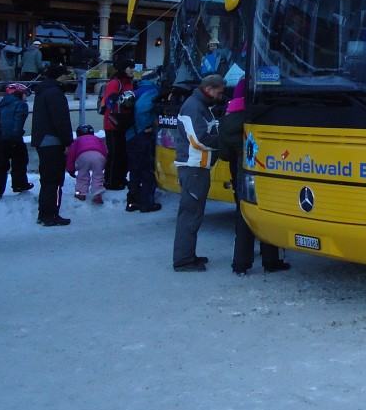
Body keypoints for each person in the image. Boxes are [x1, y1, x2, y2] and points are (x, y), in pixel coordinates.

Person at [222, 78, 289, 276]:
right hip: (263, 173)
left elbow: (224, 155)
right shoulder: (262, 116)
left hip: (240, 176)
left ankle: (240, 264)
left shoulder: (227, 120)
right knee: (267, 213)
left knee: (243, 217)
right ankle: (271, 261)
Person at [171, 73, 226, 271]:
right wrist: (224, 141)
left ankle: (187, 255)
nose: (220, 97)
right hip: (194, 168)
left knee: (193, 213)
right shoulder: (194, 107)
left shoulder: (200, 106)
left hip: (197, 168)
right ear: (209, 89)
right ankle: (184, 260)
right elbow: (200, 139)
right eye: (219, 93)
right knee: (190, 214)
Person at [31, 63, 74, 227]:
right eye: (66, 74)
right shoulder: (55, 93)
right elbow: (61, 120)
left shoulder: (43, 91)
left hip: (42, 140)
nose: (69, 77)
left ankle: (43, 213)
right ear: (60, 76)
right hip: (53, 141)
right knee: (55, 180)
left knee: (46, 180)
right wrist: (67, 141)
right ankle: (51, 214)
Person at [124, 75, 161, 213]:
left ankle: (132, 202)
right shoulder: (151, 90)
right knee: (147, 170)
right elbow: (142, 109)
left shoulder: (138, 90)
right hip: (142, 135)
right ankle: (147, 203)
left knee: (135, 169)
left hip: (131, 135)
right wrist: (147, 126)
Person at [99, 60, 136, 192]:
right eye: (129, 67)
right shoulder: (116, 82)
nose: (132, 70)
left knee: (123, 153)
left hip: (124, 123)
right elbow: (109, 102)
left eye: (133, 67)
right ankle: (110, 180)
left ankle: (120, 177)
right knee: (115, 153)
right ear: (123, 69)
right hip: (113, 123)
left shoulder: (129, 83)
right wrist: (123, 101)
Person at [0, 83, 31, 198]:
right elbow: (18, 122)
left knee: (1, 165)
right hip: (13, 138)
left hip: (1, 138)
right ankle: (19, 184)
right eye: (25, 94)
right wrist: (16, 137)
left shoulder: (3, 103)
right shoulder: (21, 105)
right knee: (21, 161)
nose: (26, 97)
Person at [66, 124, 107, 204]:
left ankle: (81, 193)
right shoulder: (97, 139)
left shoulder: (77, 141)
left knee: (83, 174)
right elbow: (104, 150)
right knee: (98, 175)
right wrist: (105, 163)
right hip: (99, 155)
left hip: (83, 155)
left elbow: (71, 155)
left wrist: (71, 169)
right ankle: (97, 194)